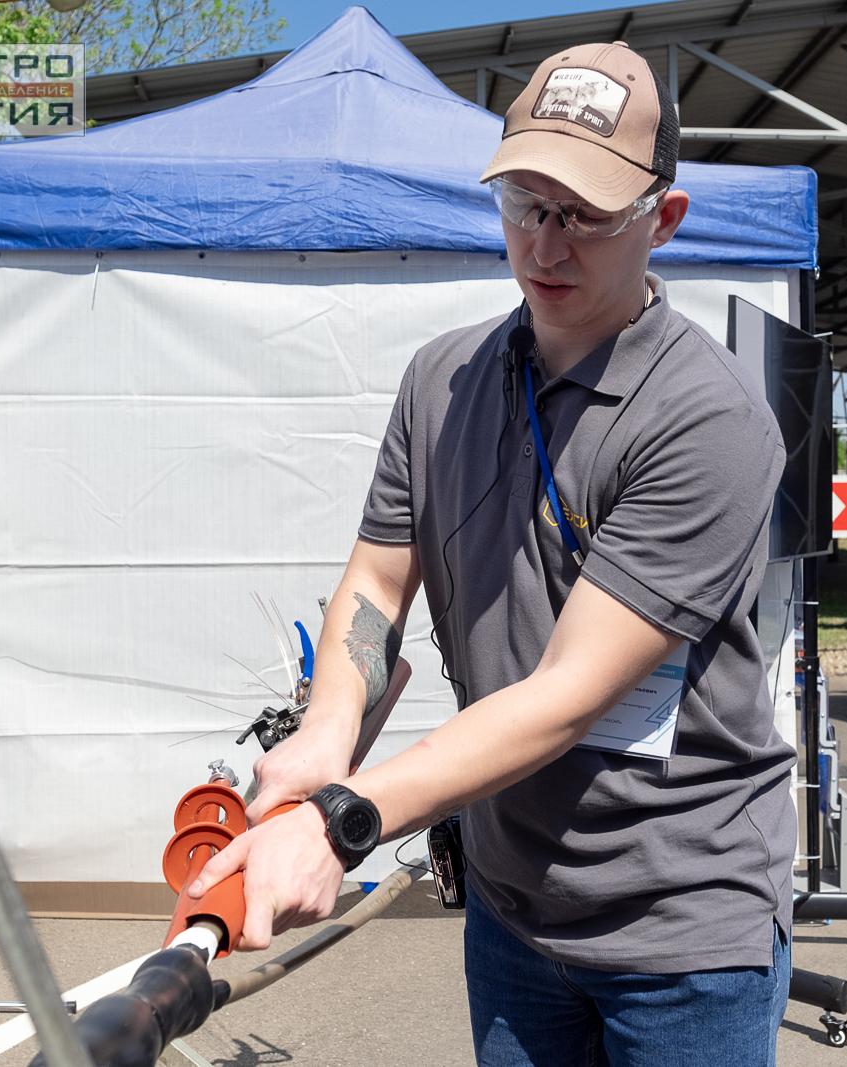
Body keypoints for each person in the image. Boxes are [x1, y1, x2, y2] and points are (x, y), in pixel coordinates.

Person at [189, 41, 797, 1064]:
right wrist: (330, 733)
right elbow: (378, 582)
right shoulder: (444, 381)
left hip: (683, 923)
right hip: (514, 911)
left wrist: (343, 820)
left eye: (586, 214)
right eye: (525, 202)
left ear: (664, 217)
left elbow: (565, 694)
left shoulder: (707, 419)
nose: (546, 247)